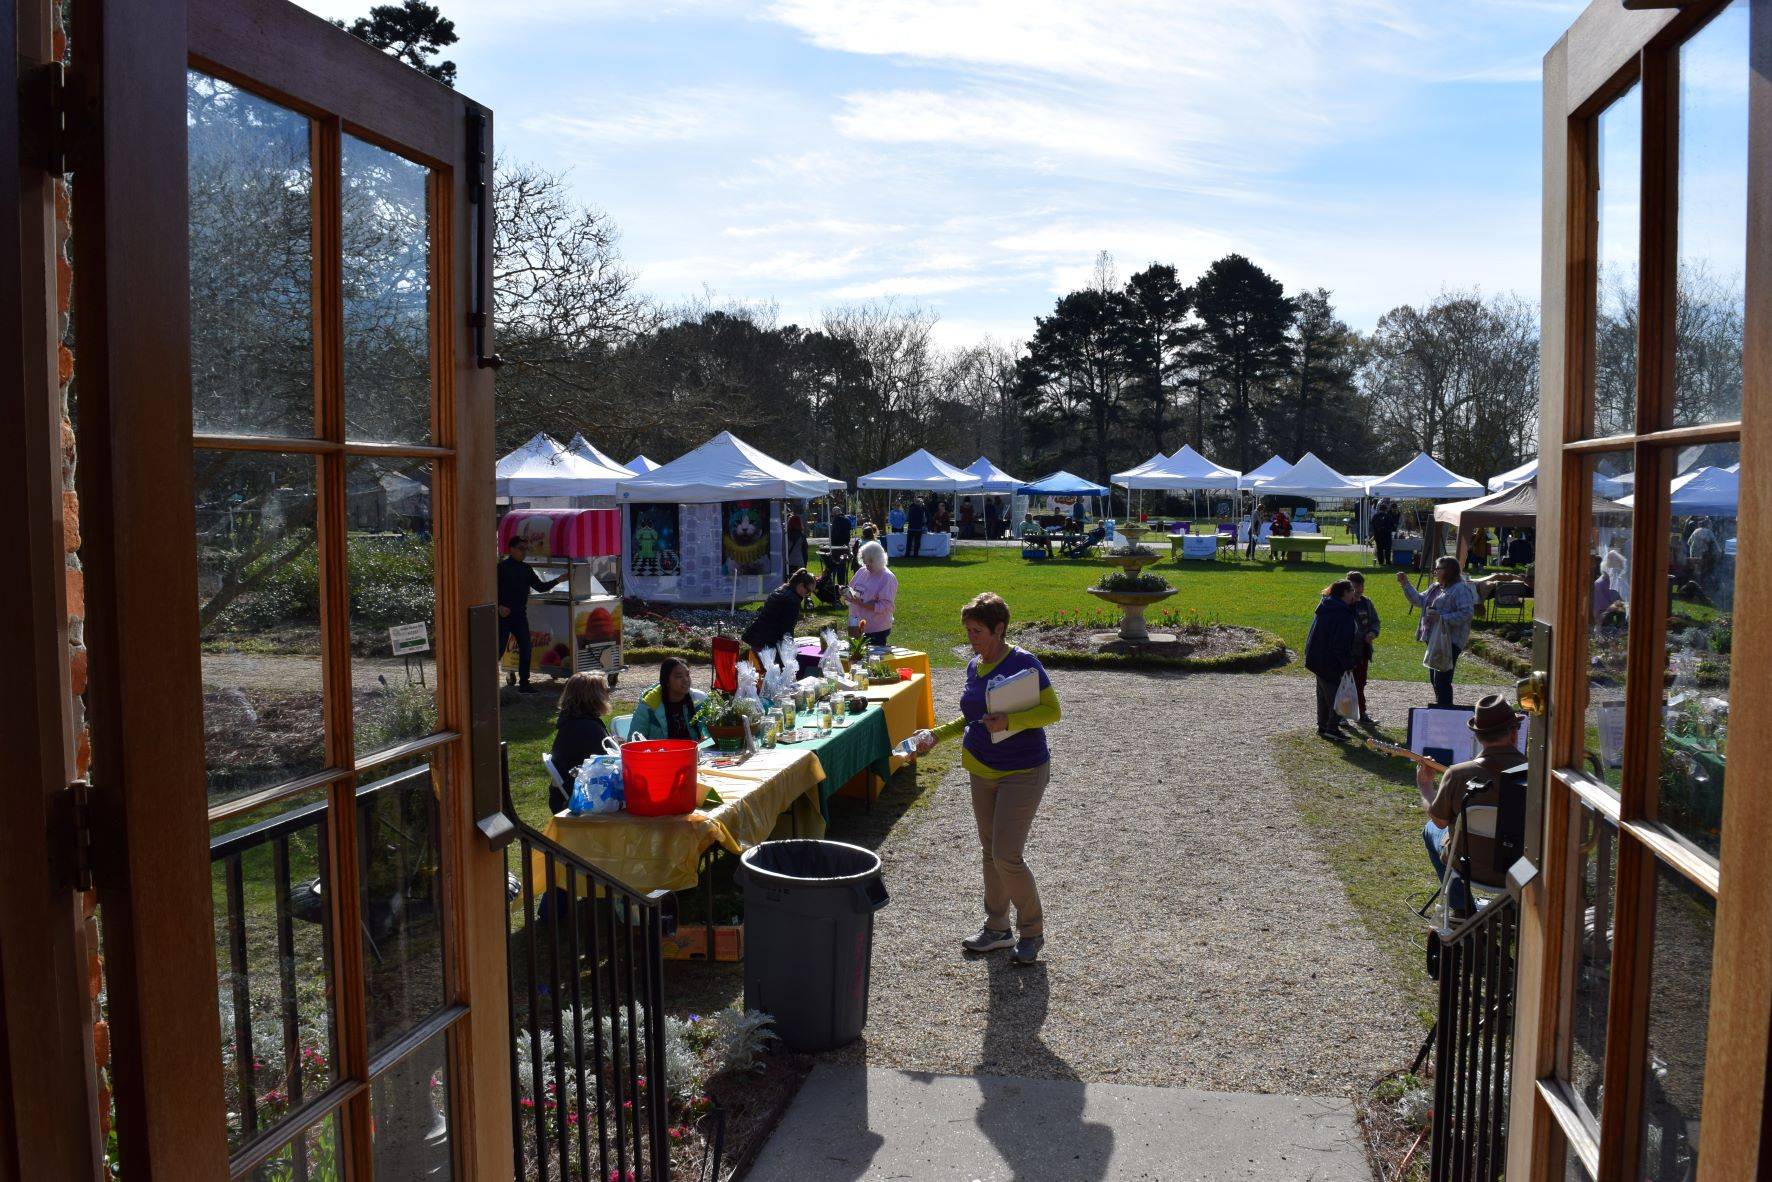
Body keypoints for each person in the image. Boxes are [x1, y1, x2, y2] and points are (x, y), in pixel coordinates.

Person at [909, 593, 1060, 965]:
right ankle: (997, 928)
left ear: (999, 629)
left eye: (977, 631)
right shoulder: (974, 666)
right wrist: (936, 735)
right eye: (968, 631)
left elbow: (1051, 711)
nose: (971, 638)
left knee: (1006, 855)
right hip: (981, 768)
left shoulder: (1024, 663)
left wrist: (1011, 720)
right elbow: (973, 717)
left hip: (1023, 770)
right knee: (990, 851)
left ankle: (1032, 931)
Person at [1416, 695, 1524, 915]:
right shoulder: (1539, 775)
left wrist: (1426, 787)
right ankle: (1515, 906)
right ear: (1514, 734)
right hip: (1521, 870)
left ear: (1477, 736)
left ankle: (1462, 908)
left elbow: (1439, 821)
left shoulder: (1457, 774)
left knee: (1430, 830)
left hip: (1469, 866)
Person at [1399, 557, 1478, 708]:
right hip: (1434, 639)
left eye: (1438, 569)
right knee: (1435, 679)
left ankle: (1445, 710)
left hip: (1450, 640)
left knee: (1442, 680)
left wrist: (1442, 618)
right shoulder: (1436, 587)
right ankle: (1441, 707)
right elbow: (1419, 600)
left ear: (1449, 571)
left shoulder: (1460, 589)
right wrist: (1405, 584)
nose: (1435, 571)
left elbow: (1466, 613)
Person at [498, 538, 564, 693]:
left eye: (526, 549)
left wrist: (558, 580)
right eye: (521, 548)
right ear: (511, 549)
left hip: (519, 615)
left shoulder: (526, 568)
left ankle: (524, 683)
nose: (524, 552)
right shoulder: (501, 568)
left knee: (526, 648)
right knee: (499, 650)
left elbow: (540, 587)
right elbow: (491, 589)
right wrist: (499, 606)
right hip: (503, 616)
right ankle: (488, 684)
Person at [1305, 579, 1361, 742]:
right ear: (1344, 593)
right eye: (1351, 590)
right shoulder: (1342, 614)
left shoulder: (1328, 606)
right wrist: (1348, 664)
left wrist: (1352, 605)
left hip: (1317, 658)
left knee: (1322, 694)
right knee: (1337, 696)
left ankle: (1323, 726)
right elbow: (1340, 644)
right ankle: (1332, 728)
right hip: (1330, 661)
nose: (1355, 593)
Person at [549, 672, 612, 813]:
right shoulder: (587, 727)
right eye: (606, 690)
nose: (609, 694)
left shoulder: (572, 721)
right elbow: (608, 764)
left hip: (564, 794)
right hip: (578, 799)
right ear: (594, 697)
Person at [629, 657, 707, 743]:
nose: (686, 680)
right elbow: (634, 740)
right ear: (666, 681)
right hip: (660, 751)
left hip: (694, 751)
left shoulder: (699, 700)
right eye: (679, 676)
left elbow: (710, 736)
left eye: (687, 675)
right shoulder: (649, 705)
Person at [741, 567, 816, 655]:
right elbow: (787, 628)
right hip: (769, 645)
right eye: (808, 591)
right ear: (800, 585)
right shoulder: (793, 601)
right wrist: (790, 648)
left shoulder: (780, 590)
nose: (808, 595)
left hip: (756, 638)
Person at [845, 540, 898, 645]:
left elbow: (886, 606)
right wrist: (845, 591)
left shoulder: (887, 577)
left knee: (872, 655)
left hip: (876, 629)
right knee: (854, 653)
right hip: (855, 624)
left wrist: (862, 603)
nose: (866, 566)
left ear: (877, 560)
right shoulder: (862, 571)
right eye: (865, 562)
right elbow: (851, 588)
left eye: (869, 563)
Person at [1347, 571, 1381, 728]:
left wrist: (1373, 632)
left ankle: (1361, 714)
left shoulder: (1367, 603)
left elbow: (1375, 621)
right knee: (1345, 683)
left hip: (1363, 651)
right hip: (1347, 652)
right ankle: (1341, 715)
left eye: (1361, 586)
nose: (1359, 590)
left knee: (1360, 683)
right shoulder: (1344, 604)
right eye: (1355, 587)